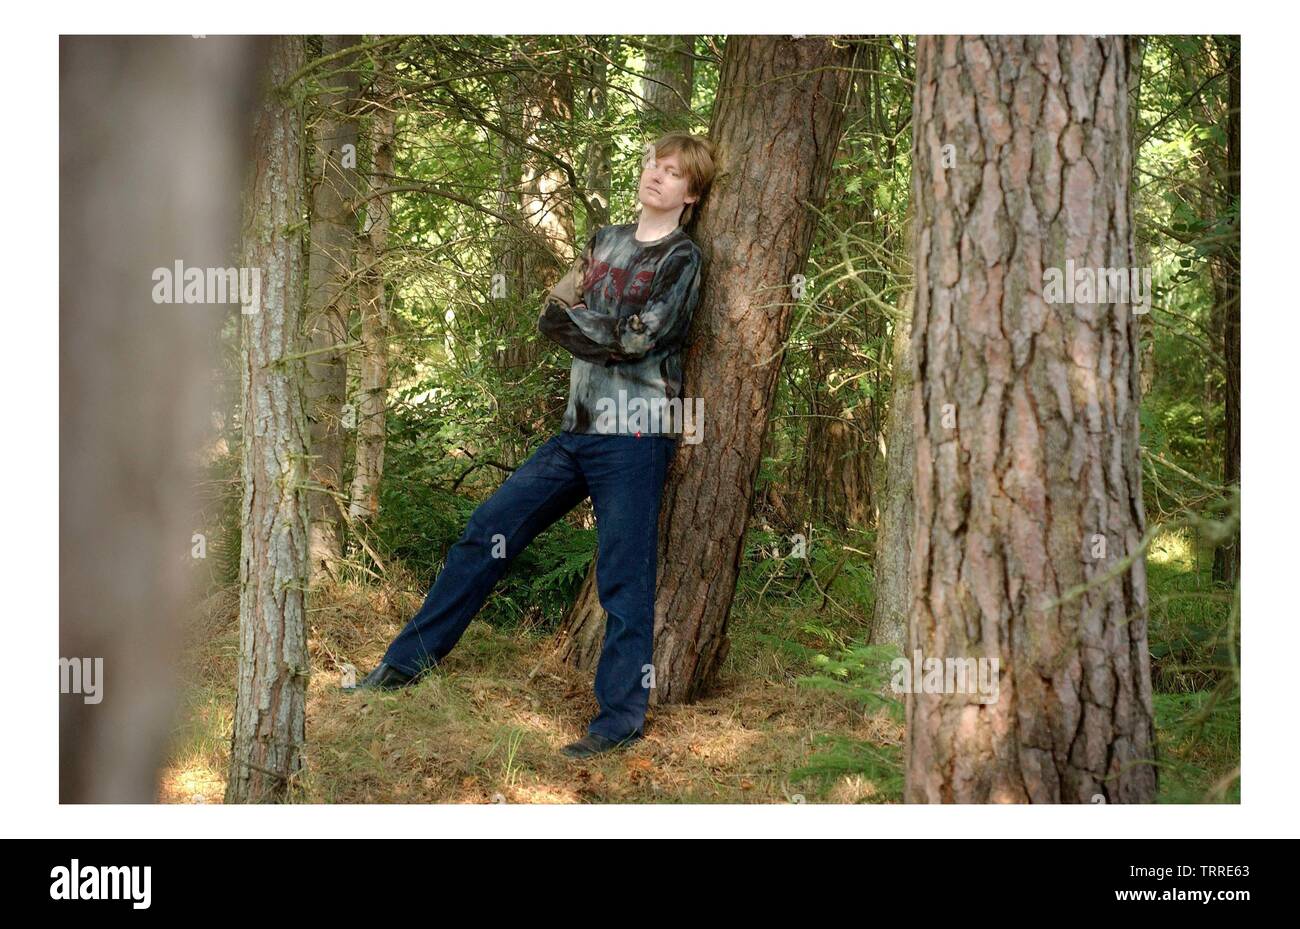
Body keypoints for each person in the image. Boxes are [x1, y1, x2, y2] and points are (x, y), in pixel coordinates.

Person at [348, 131, 715, 760]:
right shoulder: (605, 240)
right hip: (576, 431)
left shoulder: (682, 260)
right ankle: (402, 667)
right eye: (653, 163)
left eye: (673, 171)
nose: (655, 174)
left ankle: (618, 722)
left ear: (691, 193)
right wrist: (590, 325)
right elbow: (554, 311)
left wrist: (582, 323)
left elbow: (641, 339)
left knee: (624, 580)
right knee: (486, 531)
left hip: (635, 434)